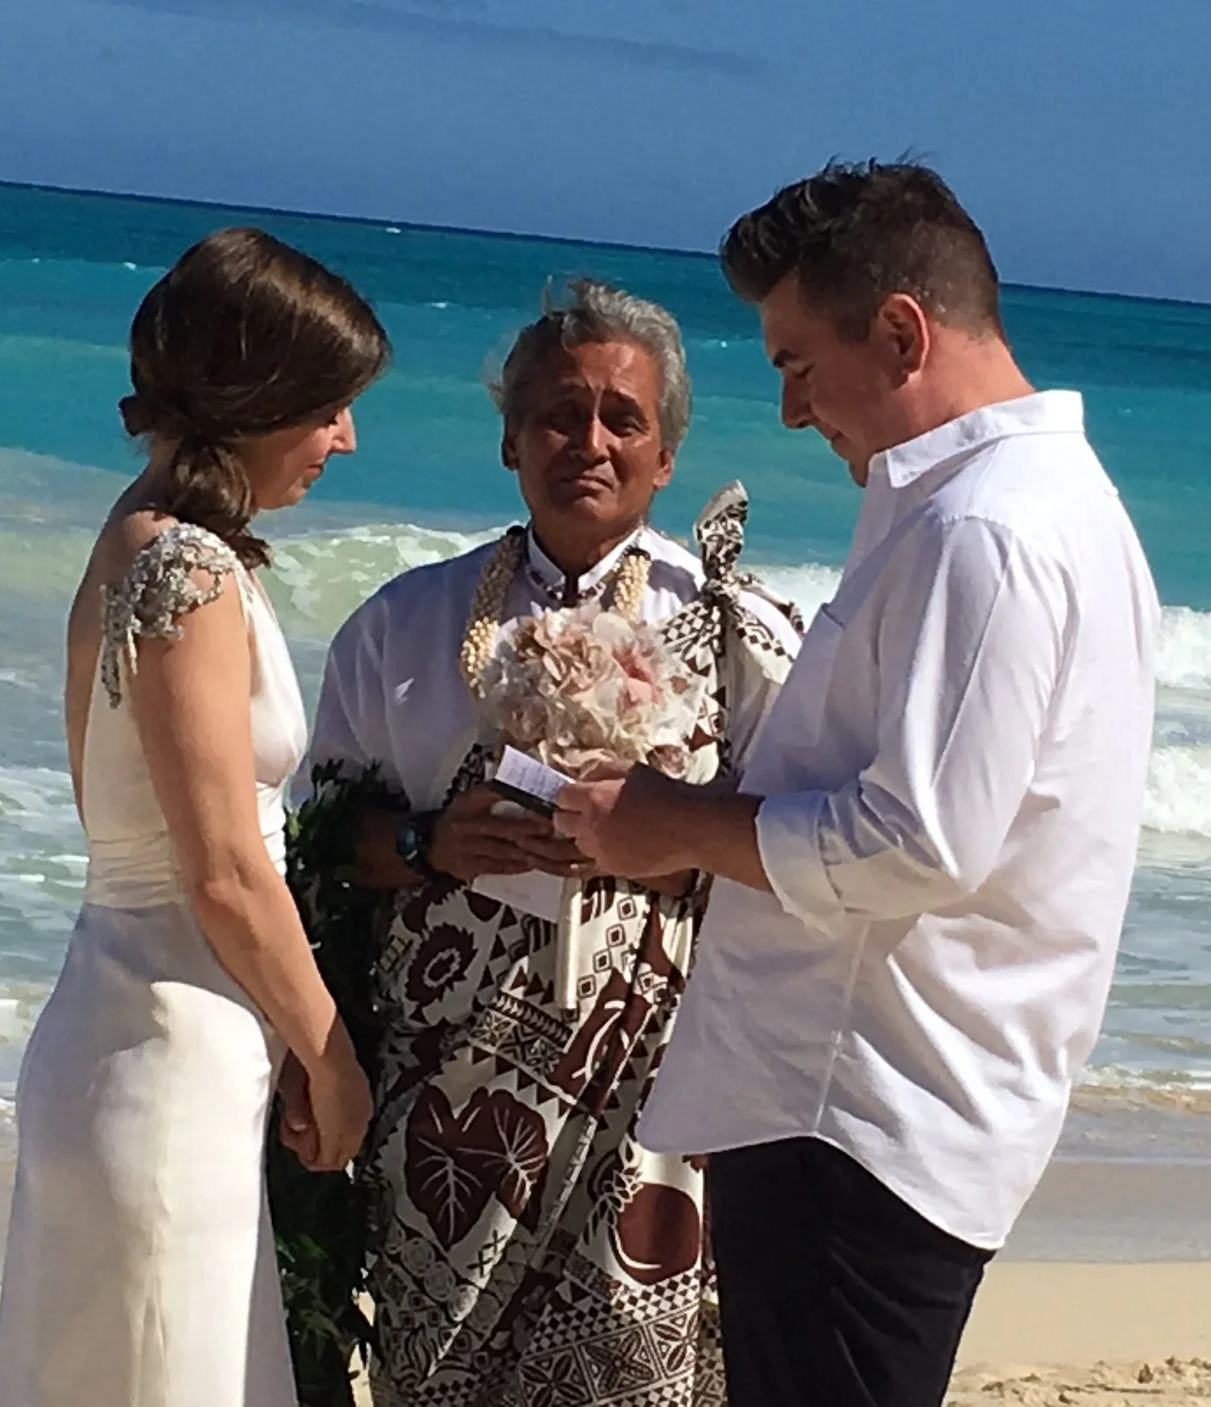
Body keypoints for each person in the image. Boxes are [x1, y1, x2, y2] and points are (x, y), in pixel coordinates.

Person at [555, 161, 1162, 1407]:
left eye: (796, 364)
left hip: (866, 1111)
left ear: (899, 333)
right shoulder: (1036, 506)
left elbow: (916, 843)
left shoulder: (985, 528)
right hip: (890, 1096)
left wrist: (672, 826)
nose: (790, 411)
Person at [296, 278, 802, 1407]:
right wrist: (429, 841)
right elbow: (319, 847)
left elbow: (811, 850)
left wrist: (672, 844)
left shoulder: (739, 632)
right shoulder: (403, 625)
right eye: (559, 415)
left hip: (658, 1105)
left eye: (623, 419)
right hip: (444, 1121)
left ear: (666, 456)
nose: (590, 441)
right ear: (510, 441)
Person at [0, 227, 386, 1407]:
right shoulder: (191, 573)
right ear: (259, 397)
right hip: (167, 1060)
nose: (345, 439)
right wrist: (331, 1056)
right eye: (329, 407)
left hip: (116, 1027)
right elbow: (222, 871)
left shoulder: (135, 536)